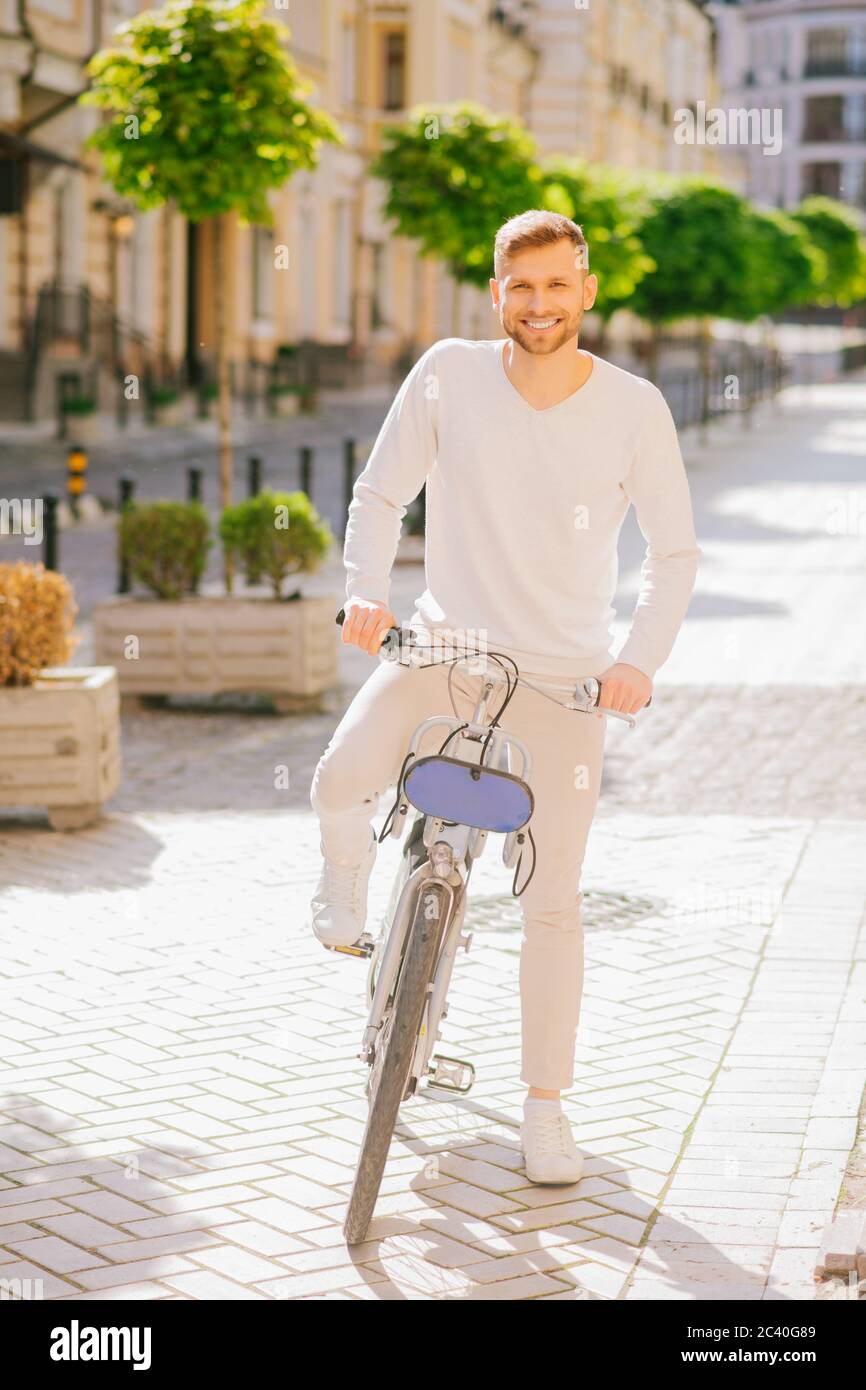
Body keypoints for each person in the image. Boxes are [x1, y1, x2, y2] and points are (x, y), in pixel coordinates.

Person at [308, 209, 700, 1183]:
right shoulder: (445, 371)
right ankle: (349, 886)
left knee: (553, 899)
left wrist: (636, 662)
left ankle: (543, 1109)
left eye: (556, 286)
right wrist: (365, 590)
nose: (538, 305)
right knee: (335, 779)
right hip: (443, 645)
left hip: (564, 680)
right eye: (519, 288)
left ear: (586, 290)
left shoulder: (632, 407)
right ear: (494, 294)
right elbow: (376, 493)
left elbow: (673, 552)